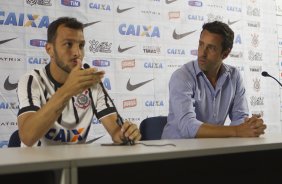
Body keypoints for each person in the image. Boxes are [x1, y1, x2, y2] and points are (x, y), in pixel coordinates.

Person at [17, 17, 141, 146]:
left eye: (81, 45)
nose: (77, 53)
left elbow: (115, 132)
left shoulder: (91, 81)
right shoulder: (32, 80)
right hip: (39, 164)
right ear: (50, 50)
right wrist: (67, 90)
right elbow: (27, 136)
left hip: (76, 164)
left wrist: (125, 134)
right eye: (68, 44)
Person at [162, 21, 266, 139]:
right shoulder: (182, 76)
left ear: (225, 54)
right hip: (177, 151)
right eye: (201, 44)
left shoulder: (234, 76)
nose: (202, 53)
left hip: (212, 149)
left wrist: (250, 126)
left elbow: (240, 118)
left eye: (211, 48)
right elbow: (188, 126)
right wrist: (237, 130)